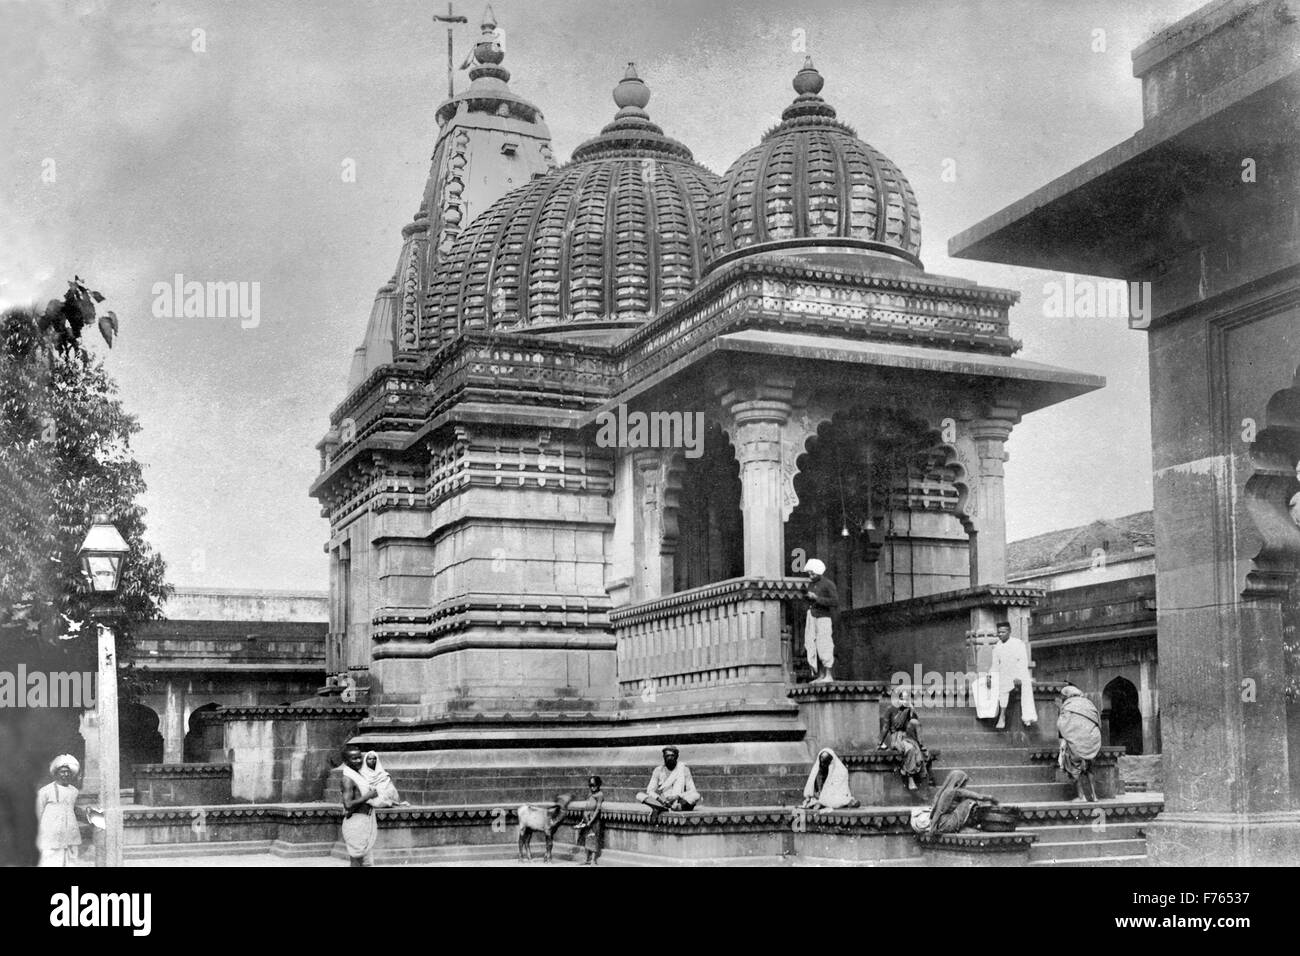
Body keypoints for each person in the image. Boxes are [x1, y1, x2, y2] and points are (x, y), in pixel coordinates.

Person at [879, 689, 934, 791]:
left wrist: (912, 710)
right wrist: (880, 743)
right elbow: (885, 727)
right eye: (902, 699)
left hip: (909, 737)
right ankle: (910, 778)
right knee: (910, 749)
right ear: (897, 699)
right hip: (897, 738)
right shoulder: (890, 709)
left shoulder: (910, 710)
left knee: (920, 750)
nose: (904, 701)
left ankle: (925, 779)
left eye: (906, 699)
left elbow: (915, 725)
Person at [1057, 684, 1102, 802]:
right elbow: (1098, 723)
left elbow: (1062, 726)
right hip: (1092, 745)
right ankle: (1095, 796)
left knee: (1072, 764)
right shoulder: (1089, 704)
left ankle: (1081, 796)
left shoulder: (1067, 706)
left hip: (1076, 747)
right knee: (1090, 768)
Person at [988, 622, 1036, 729]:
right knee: (987, 684)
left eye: (1003, 632)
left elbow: (1022, 662)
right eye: (999, 632)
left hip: (1016, 671)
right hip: (1003, 671)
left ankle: (1002, 715)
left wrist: (1018, 676)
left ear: (1009, 632)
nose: (1000, 634)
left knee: (1004, 685)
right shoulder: (997, 646)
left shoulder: (1018, 644)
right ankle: (989, 713)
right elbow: (995, 664)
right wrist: (990, 676)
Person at [36, 755, 82, 867]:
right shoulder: (45, 791)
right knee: (50, 861)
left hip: (70, 833)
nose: (65, 774)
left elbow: (74, 809)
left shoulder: (74, 791)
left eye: (68, 772)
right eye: (62, 772)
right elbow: (37, 813)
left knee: (70, 862)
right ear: (56, 773)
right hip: (51, 835)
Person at [339, 744, 380, 866]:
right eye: (354, 758)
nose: (359, 761)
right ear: (346, 762)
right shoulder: (348, 779)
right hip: (356, 823)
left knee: (366, 862)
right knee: (357, 861)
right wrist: (368, 796)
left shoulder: (358, 775)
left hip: (364, 821)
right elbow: (348, 805)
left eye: (360, 757)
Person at [927, 770, 998, 836]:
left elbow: (938, 812)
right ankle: (966, 827)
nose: (965, 784)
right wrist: (991, 798)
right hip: (948, 824)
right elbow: (980, 797)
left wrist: (933, 827)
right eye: (964, 782)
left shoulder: (945, 792)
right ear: (958, 782)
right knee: (970, 801)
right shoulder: (957, 792)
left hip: (941, 824)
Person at [637, 746, 701, 814]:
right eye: (667, 756)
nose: (670, 758)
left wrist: (677, 796)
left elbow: (692, 790)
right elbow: (650, 790)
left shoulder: (684, 769)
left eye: (672, 756)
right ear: (664, 757)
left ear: (677, 756)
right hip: (663, 801)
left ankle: (676, 807)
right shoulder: (658, 770)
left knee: (696, 795)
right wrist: (660, 799)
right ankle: (663, 807)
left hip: (678, 800)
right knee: (639, 795)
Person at [803, 558, 838, 683]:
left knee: (825, 644)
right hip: (813, 616)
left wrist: (817, 598)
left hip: (823, 617)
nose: (811, 576)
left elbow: (835, 602)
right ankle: (821, 675)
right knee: (813, 645)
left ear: (819, 572)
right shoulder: (811, 584)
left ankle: (828, 675)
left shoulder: (828, 584)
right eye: (809, 573)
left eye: (813, 573)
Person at [573, 775, 605, 865]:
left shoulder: (600, 795)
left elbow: (597, 809)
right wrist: (585, 819)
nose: (592, 787)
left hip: (594, 820)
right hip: (587, 819)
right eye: (590, 785)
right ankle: (587, 858)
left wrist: (591, 821)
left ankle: (593, 860)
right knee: (587, 839)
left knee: (594, 838)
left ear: (598, 785)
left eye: (594, 785)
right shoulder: (590, 794)